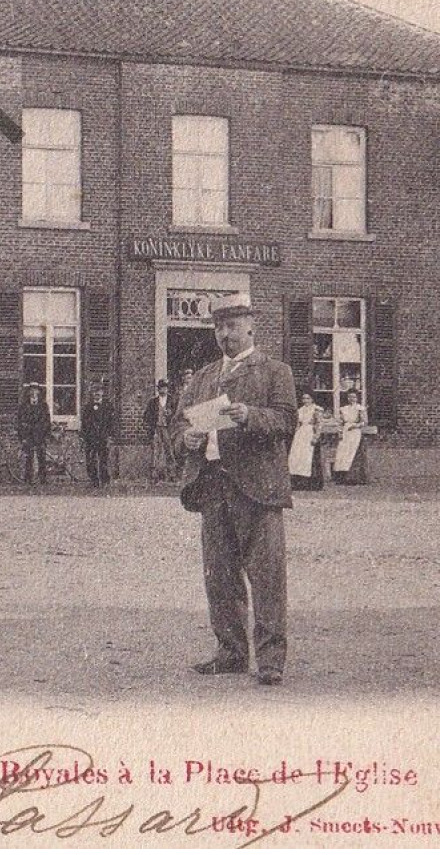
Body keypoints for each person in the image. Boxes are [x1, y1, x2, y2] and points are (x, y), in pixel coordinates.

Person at [172, 292, 296, 687]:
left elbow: (287, 420)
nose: (225, 334)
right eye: (218, 327)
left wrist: (250, 416)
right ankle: (230, 652)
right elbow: (177, 427)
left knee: (266, 576)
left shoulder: (275, 371)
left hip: (257, 488)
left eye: (232, 326)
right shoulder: (204, 378)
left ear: (250, 326)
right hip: (212, 485)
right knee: (219, 575)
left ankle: (271, 660)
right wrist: (187, 438)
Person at [289, 391, 326, 491]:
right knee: (297, 457)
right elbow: (298, 424)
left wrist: (316, 437)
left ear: (312, 399)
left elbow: (319, 424)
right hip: (300, 434)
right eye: (304, 399)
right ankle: (298, 482)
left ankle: (312, 483)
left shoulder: (317, 409)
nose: (305, 401)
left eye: (308, 398)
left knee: (309, 458)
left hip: (310, 433)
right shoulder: (300, 410)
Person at [15, 384, 52, 485]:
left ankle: (43, 478)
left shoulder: (44, 406)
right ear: (28, 393)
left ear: (39, 393)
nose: (34, 393)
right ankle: (28, 478)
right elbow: (20, 422)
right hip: (28, 435)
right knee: (29, 457)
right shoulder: (23, 406)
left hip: (40, 434)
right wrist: (22, 436)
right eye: (31, 391)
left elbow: (47, 420)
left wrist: (46, 433)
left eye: (36, 391)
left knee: (42, 457)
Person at [332, 389, 370, 485]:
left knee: (352, 452)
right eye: (349, 397)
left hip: (355, 432)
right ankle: (341, 477)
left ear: (357, 398)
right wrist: (340, 432)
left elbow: (364, 422)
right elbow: (340, 422)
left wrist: (356, 426)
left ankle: (354, 477)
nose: (351, 399)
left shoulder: (360, 408)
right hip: (345, 431)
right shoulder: (344, 409)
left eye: (353, 397)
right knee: (342, 453)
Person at [80, 386, 116, 487]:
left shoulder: (108, 407)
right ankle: (93, 480)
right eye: (95, 392)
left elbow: (112, 423)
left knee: (103, 459)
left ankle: (105, 481)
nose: (97, 394)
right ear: (92, 394)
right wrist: (83, 436)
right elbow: (84, 423)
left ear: (102, 393)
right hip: (90, 437)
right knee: (91, 460)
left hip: (103, 437)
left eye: (99, 392)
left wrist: (110, 436)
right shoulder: (87, 407)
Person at [143, 379, 177, 482]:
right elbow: (146, 416)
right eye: (161, 388)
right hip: (156, 428)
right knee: (156, 451)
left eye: (165, 388)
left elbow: (177, 414)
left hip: (167, 428)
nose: (163, 390)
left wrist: (170, 414)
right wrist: (150, 424)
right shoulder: (153, 402)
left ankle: (172, 474)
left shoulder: (173, 400)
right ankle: (154, 475)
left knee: (169, 450)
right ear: (158, 389)